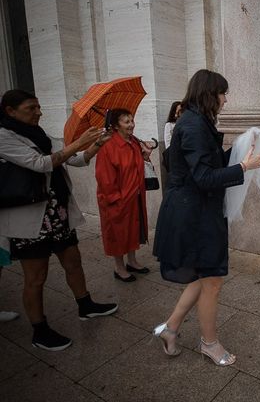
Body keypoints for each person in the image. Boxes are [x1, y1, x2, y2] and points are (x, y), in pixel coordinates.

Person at [152, 69, 260, 365]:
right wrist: (243, 167)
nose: (226, 100)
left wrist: (240, 150)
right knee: (211, 280)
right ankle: (210, 344)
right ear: (209, 94)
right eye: (223, 93)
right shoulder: (192, 125)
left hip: (198, 211)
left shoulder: (196, 121)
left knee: (205, 277)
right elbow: (203, 177)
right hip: (193, 215)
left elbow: (209, 164)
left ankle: (171, 329)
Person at [0, 89, 118, 350]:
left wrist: (98, 143)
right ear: (10, 111)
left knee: (73, 260)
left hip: (57, 212)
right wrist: (76, 143)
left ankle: (85, 305)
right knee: (36, 276)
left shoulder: (40, 134)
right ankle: (39, 330)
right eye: (31, 108)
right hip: (30, 217)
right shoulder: (4, 137)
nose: (39, 112)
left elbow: (75, 159)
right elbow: (41, 164)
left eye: (39, 107)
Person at [95, 108, 152, 282]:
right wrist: (116, 200)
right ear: (115, 126)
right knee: (118, 233)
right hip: (117, 200)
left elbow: (136, 167)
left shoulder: (134, 142)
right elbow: (105, 180)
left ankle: (132, 261)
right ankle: (119, 268)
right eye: (126, 122)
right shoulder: (108, 147)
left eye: (132, 120)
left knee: (133, 230)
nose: (131, 125)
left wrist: (145, 155)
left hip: (134, 196)